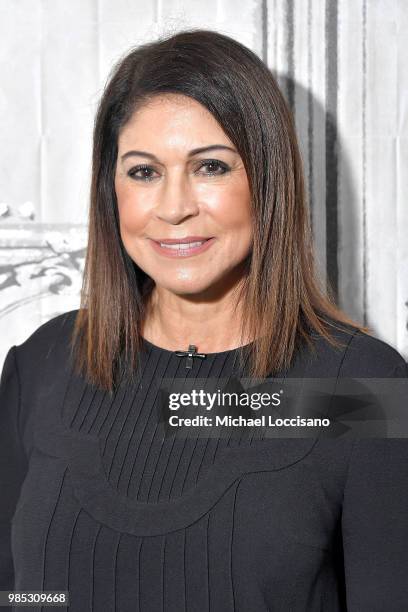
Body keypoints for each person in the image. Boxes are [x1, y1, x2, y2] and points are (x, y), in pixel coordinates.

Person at [1, 28, 407, 612]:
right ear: (110, 190)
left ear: (266, 183)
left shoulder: (359, 389)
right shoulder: (43, 365)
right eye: (143, 172)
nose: (174, 206)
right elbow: (20, 594)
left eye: (211, 167)